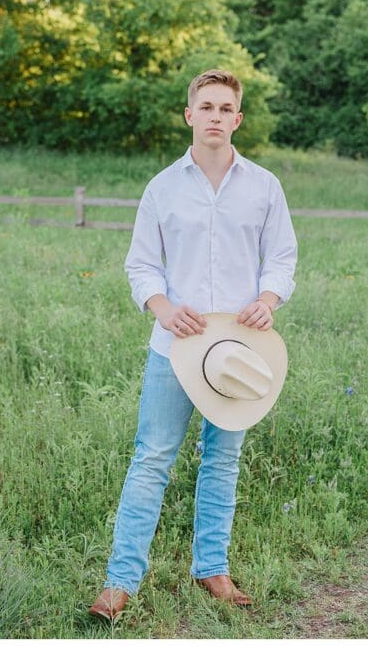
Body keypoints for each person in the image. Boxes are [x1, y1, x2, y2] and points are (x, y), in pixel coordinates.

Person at [89, 69, 298, 620]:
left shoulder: (265, 187)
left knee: (223, 460)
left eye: (225, 108)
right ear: (189, 115)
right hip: (173, 348)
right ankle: (119, 581)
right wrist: (162, 306)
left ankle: (212, 568)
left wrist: (269, 299)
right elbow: (141, 264)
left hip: (238, 349)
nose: (214, 116)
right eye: (205, 106)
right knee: (152, 458)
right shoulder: (162, 188)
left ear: (238, 119)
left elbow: (282, 258)